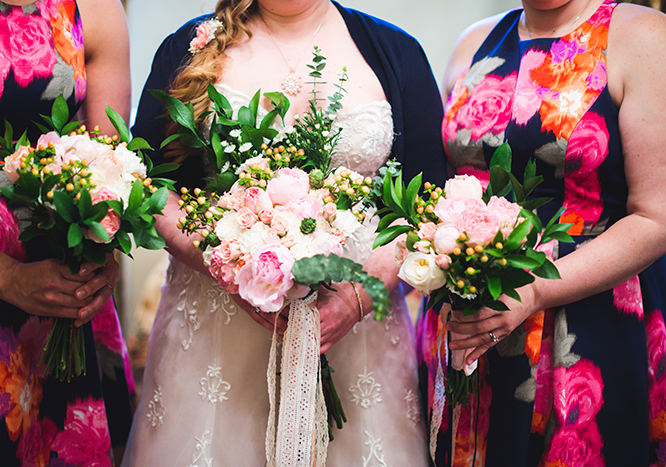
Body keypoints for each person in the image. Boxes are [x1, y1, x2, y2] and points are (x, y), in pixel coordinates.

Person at [122, 0, 448, 465]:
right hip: (218, 331)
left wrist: (357, 297)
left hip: (358, 336)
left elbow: (425, 198)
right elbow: (151, 184)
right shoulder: (187, 48)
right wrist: (227, 268)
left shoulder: (394, 51)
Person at [420, 0, 666, 465]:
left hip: (590, 319)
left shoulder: (643, 36)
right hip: (473, 319)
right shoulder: (474, 42)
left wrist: (533, 291)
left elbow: (656, 217)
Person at [0, 0, 135, 465]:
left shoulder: (96, 10)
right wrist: (5, 277)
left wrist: (103, 258)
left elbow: (111, 163)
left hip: (61, 282)